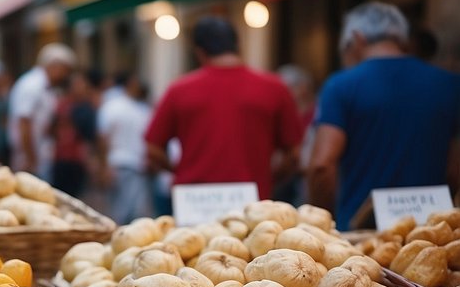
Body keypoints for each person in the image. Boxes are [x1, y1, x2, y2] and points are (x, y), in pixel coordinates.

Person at [308, 3, 460, 228]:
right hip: (430, 231)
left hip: (360, 232)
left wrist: (324, 220)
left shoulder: (341, 86)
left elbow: (322, 165)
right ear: (402, 40)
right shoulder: (450, 84)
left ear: (357, 39)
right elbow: (455, 168)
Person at [145, 17, 303, 199]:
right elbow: (294, 155)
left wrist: (179, 170)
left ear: (200, 52)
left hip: (193, 198)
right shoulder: (275, 87)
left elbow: (153, 149)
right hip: (252, 198)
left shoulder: (179, 90)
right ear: (238, 46)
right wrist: (269, 177)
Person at [9, 43, 77, 178]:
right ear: (54, 66)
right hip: (29, 159)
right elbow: (23, 123)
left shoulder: (44, 86)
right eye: (65, 70)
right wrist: (30, 158)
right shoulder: (32, 85)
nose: (66, 75)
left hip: (39, 156)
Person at [97, 71, 152, 223]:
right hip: (119, 164)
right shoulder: (114, 106)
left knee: (131, 212)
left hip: (134, 165)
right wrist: (104, 165)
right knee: (122, 213)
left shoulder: (140, 109)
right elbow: (103, 137)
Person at [50, 71, 98, 198]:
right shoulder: (63, 105)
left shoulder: (86, 107)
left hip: (77, 160)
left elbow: (90, 137)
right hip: (61, 158)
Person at [274, 64, 315, 205]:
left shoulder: (319, 115)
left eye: (287, 88)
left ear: (303, 87)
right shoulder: (282, 115)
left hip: (307, 184)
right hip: (283, 181)